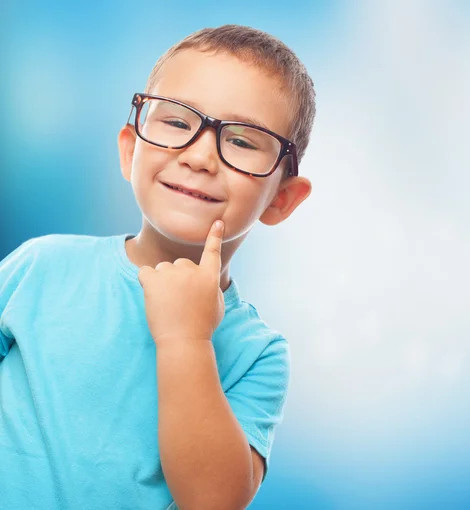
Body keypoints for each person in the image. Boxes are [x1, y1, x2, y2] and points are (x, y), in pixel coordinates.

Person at [0, 24, 315, 509]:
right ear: (130, 150)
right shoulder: (40, 267)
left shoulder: (259, 356)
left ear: (282, 199)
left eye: (244, 142)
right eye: (175, 122)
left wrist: (186, 340)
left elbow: (212, 502)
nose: (200, 156)